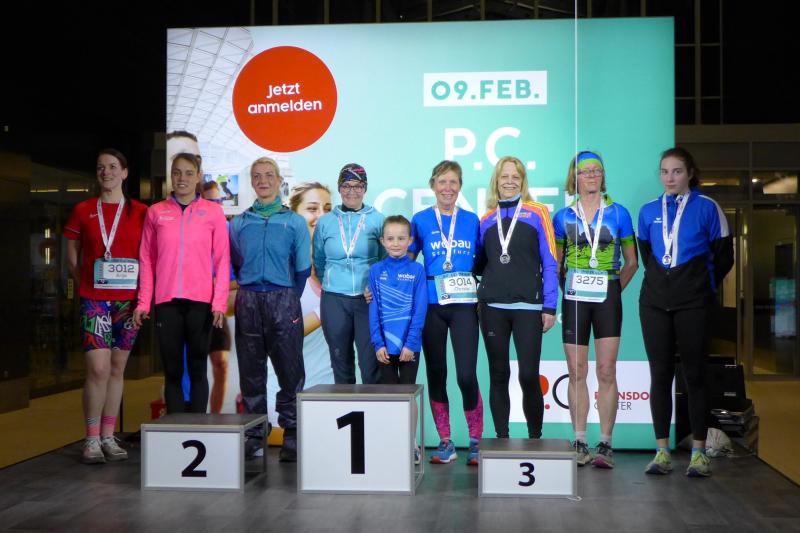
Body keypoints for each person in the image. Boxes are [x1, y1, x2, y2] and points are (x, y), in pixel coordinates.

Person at [638, 147, 733, 477]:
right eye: (664, 171)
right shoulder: (648, 211)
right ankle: (662, 452)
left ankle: (699, 453)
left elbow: (724, 257)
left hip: (694, 302)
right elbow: (648, 254)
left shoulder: (708, 207)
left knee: (695, 374)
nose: (670, 178)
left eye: (677, 171)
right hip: (654, 303)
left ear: (690, 173)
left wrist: (697, 285)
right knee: (660, 375)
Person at [553, 151, 638, 468]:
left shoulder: (619, 213)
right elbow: (557, 265)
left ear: (603, 176)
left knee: (606, 370)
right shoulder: (563, 217)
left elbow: (632, 262)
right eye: (584, 170)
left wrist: (610, 291)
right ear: (573, 177)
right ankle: (580, 441)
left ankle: (606, 444)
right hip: (575, 298)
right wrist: (571, 291)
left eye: (596, 170)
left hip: (607, 298)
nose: (591, 175)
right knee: (577, 371)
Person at [65, 149, 148, 464]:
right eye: (101, 167)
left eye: (113, 167)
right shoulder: (83, 210)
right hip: (95, 300)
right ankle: (90, 438)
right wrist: (84, 280)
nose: (107, 172)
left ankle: (108, 436)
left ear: (125, 173)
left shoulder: (141, 212)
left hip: (128, 302)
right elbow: (71, 252)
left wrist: (144, 297)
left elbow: (149, 256)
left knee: (116, 368)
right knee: (97, 368)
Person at [133, 153, 230, 414]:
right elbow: (146, 259)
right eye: (177, 172)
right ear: (171, 176)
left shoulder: (213, 212)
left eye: (188, 173)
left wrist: (219, 302)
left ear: (198, 176)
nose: (182, 178)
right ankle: (175, 427)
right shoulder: (156, 212)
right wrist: (144, 302)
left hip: (201, 303)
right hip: (167, 303)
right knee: (172, 370)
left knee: (198, 368)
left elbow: (223, 260)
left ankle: (198, 427)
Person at [229, 157, 310, 461]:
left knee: (290, 370)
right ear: (252, 182)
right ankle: (254, 435)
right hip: (249, 300)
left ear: (279, 181)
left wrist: (285, 296)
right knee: (251, 373)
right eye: (257, 176)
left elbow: (302, 269)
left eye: (268, 175)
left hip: (283, 299)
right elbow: (237, 263)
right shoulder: (239, 223)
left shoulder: (294, 222)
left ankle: (292, 434)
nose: (263, 181)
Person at [476, 156, 558, 440]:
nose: (510, 181)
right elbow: (480, 263)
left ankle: (535, 438)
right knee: (498, 374)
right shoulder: (486, 219)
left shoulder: (538, 212)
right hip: (492, 307)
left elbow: (550, 261)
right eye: (504, 176)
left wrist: (550, 306)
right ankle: (501, 439)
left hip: (529, 307)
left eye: (516, 177)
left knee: (528, 375)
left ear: (523, 181)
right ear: (496, 181)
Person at [409, 160, 483, 465]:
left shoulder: (472, 220)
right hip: (432, 306)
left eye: (453, 182)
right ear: (433, 185)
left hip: (465, 306)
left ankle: (476, 440)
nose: (448, 188)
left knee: (466, 374)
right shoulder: (420, 220)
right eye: (442, 182)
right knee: (437, 372)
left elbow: (483, 262)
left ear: (460, 186)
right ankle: (445, 441)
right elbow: (407, 260)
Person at [313, 163, 385, 385]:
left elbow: (384, 260)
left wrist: (374, 285)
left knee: (370, 364)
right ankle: (346, 406)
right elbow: (319, 261)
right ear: (339, 188)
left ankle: (373, 407)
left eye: (357, 186)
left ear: (365, 188)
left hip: (367, 299)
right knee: (340, 362)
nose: (352, 191)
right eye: (346, 186)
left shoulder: (378, 219)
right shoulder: (325, 222)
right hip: (334, 299)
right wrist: (332, 282)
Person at [368, 215, 427, 385]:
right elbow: (373, 310)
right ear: (382, 241)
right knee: (390, 396)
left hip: (409, 346)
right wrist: (378, 344)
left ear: (410, 241)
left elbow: (420, 310)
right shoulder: (375, 270)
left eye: (401, 238)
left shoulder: (417, 270)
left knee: (407, 394)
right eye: (390, 238)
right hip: (384, 347)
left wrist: (411, 344)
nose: (395, 243)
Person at [201, 180, 234, 414]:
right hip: (192, 304)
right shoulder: (192, 227)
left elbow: (239, 275)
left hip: (218, 305)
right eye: (211, 201)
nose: (216, 205)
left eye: (219, 200)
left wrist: (220, 285)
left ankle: (215, 418)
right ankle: (193, 417)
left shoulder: (229, 229)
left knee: (221, 364)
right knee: (193, 367)